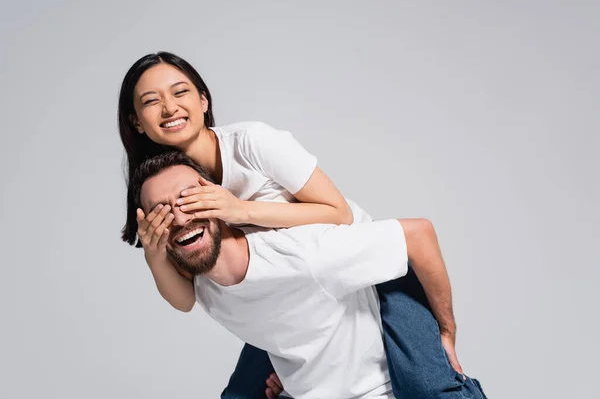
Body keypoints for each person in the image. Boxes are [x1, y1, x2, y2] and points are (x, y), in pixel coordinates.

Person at [117, 51, 486, 398]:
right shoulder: (166, 184)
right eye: (151, 101)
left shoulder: (252, 144)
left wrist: (240, 211)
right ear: (136, 121)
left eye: (180, 92)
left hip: (367, 273)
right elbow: (191, 297)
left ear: (203, 101)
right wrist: (155, 257)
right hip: (287, 293)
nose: (169, 107)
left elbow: (337, 212)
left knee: (429, 386)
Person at [131, 150, 486, 398]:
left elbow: (418, 234)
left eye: (190, 199)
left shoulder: (305, 256)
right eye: (162, 212)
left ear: (219, 200)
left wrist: (446, 330)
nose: (179, 217)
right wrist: (154, 256)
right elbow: (181, 300)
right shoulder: (205, 285)